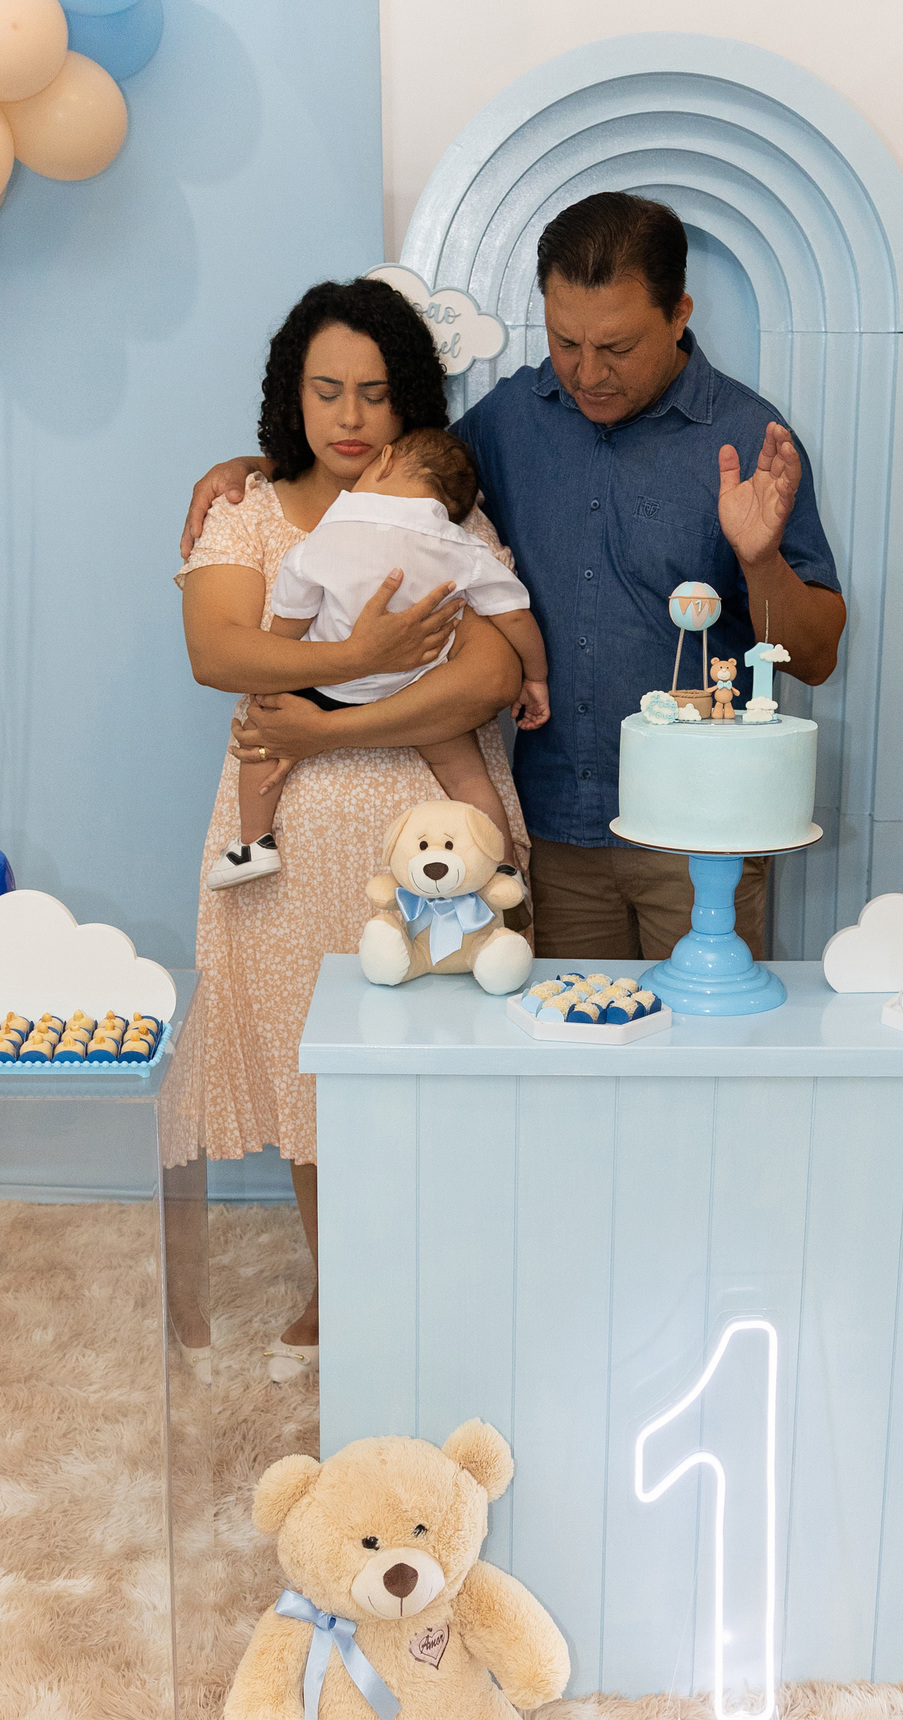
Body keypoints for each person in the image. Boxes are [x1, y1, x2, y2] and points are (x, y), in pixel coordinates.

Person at [183, 192, 845, 960]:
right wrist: (267, 465)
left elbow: (815, 657)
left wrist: (760, 561)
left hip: (701, 837)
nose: (588, 373)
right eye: (565, 342)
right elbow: (396, 474)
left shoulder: (748, 438)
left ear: (678, 314)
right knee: (555, 1036)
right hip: (556, 836)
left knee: (704, 1037)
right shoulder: (508, 420)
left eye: (618, 347)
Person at [180, 278, 528, 1380]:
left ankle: (446, 1277)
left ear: (407, 401)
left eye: (375, 394)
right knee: (311, 1064)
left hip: (427, 835)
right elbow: (218, 652)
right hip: (286, 845)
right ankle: (340, 1282)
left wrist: (327, 715)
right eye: (326, 390)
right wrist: (360, 657)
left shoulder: (443, 516)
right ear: (291, 395)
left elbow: (490, 673)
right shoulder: (243, 512)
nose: (349, 416)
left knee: (439, 1058)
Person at [206, 426, 548, 889]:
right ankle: (504, 867)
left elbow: (294, 605)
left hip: (325, 687)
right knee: (467, 776)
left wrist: (276, 676)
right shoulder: (462, 545)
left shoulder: (334, 527)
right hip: (421, 693)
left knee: (261, 740)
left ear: (384, 462)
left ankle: (253, 843)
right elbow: (514, 615)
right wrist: (536, 676)